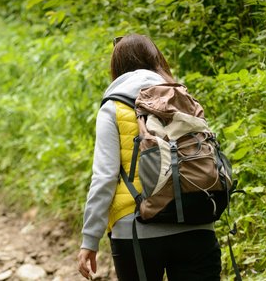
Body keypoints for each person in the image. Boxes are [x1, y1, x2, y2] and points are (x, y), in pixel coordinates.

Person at [77, 34, 221, 281]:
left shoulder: (113, 107)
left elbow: (104, 177)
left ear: (116, 67)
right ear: (157, 60)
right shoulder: (182, 98)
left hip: (135, 231)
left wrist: (90, 240)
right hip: (195, 221)